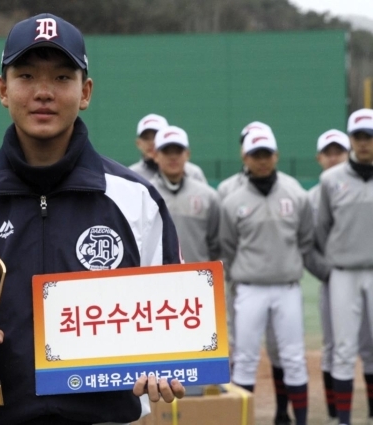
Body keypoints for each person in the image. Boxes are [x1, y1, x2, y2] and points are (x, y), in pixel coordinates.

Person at [0, 13, 185, 425]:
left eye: (62, 78)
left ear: (85, 92)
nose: (43, 92)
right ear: (2, 90)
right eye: (26, 76)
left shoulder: (135, 199)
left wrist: (171, 362)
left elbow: (168, 314)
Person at [220, 129, 313, 425]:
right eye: (255, 155)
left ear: (276, 156)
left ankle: (298, 420)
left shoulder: (295, 192)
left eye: (266, 154)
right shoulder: (233, 200)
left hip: (286, 287)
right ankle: (243, 420)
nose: (262, 161)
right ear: (245, 157)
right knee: (245, 359)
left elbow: (306, 237)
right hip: (250, 289)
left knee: (294, 358)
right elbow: (228, 244)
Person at [304, 129, 373, 425]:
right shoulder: (325, 186)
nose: (364, 142)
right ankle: (340, 417)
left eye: (368, 136)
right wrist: (328, 270)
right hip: (341, 273)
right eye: (358, 136)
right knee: (340, 347)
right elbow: (319, 233)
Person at [149, 125, 220, 263]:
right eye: (167, 152)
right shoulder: (145, 194)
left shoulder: (207, 195)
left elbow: (215, 243)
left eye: (178, 151)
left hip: (198, 277)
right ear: (156, 156)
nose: (173, 157)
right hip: (157, 277)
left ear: (187, 154)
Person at [129, 113, 207, 184]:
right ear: (138, 143)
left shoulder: (193, 173)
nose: (152, 142)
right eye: (146, 138)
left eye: (157, 136)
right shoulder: (131, 174)